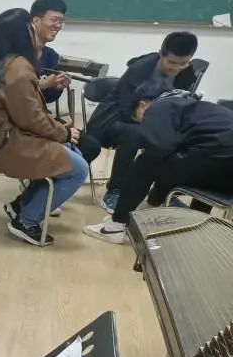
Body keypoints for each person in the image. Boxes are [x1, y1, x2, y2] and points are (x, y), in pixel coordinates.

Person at [0, 8, 89, 246]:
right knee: (78, 168)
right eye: (30, 26)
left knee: (71, 152)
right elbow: (31, 119)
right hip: (7, 145)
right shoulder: (18, 68)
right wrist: (63, 132)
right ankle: (26, 221)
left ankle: (21, 206)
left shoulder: (7, 62)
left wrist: (59, 129)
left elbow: (29, 113)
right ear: (23, 33)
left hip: (7, 137)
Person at [85, 88, 233, 244]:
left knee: (144, 163)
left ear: (142, 105)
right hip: (225, 180)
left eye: (137, 118)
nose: (143, 124)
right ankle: (190, 228)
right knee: (184, 158)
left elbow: (158, 153)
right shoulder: (193, 108)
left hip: (215, 163)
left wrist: (152, 199)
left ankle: (115, 226)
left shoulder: (158, 107)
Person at [86, 31, 199, 213]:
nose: (176, 68)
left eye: (183, 63)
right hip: (113, 119)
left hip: (150, 120)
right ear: (161, 54)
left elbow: (179, 104)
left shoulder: (186, 72)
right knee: (135, 133)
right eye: (171, 62)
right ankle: (114, 190)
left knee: (179, 139)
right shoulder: (140, 69)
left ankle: (162, 193)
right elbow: (125, 109)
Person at [31, 0, 70, 105]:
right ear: (36, 21)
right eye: (54, 20)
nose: (58, 26)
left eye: (61, 21)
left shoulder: (52, 56)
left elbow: (47, 99)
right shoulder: (17, 52)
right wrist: (42, 84)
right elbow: (9, 93)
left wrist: (57, 88)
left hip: (35, 112)